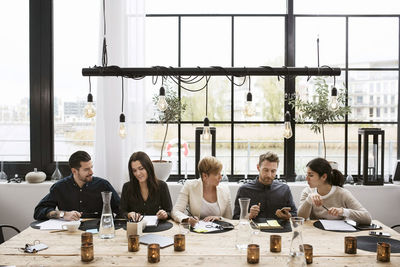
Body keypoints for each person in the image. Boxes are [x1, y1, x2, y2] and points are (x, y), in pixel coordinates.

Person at [34, 151, 120, 221]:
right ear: (74, 171)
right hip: (69, 232)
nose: (91, 172)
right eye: (86, 169)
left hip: (99, 232)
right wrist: (63, 214)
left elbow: (121, 209)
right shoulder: (60, 187)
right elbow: (39, 211)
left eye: (91, 167)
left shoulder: (103, 185)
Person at [298, 157, 372, 224]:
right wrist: (309, 199)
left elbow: (367, 218)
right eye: (306, 175)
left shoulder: (342, 193)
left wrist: (343, 211)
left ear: (324, 177)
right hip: (316, 233)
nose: (306, 178)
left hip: (338, 234)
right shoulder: (307, 192)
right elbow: (300, 217)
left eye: (311, 175)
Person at [233, 152, 297, 220]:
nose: (269, 175)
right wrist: (249, 215)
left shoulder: (284, 189)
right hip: (253, 230)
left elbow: (294, 214)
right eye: (266, 170)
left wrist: (287, 216)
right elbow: (235, 218)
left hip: (279, 230)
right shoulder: (244, 190)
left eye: (273, 171)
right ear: (258, 168)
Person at [172, 156, 232, 226]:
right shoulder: (189, 186)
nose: (220, 177)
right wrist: (188, 219)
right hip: (196, 231)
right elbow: (176, 211)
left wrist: (219, 218)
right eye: (216, 174)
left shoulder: (225, 190)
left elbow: (229, 219)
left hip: (219, 232)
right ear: (205, 176)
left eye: (220, 173)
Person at [119, 151, 172, 221]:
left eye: (141, 168)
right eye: (134, 170)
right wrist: (129, 214)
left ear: (148, 168)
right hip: (135, 228)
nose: (138, 173)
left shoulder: (162, 186)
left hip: (157, 229)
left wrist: (164, 214)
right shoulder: (127, 187)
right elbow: (121, 212)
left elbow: (169, 212)